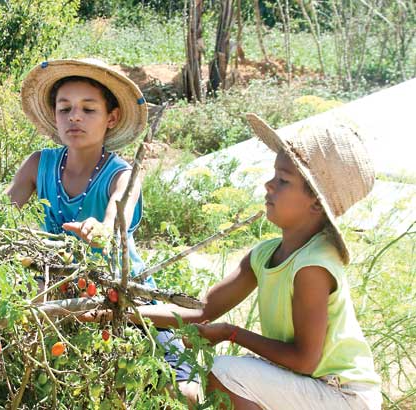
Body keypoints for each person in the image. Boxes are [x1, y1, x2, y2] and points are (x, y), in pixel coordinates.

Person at [0, 58, 199, 401]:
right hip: (61, 298)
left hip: (126, 298)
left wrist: (103, 228)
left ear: (110, 118)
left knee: (182, 391)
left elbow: (117, 215)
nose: (74, 117)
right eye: (64, 108)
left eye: (88, 109)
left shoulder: (122, 174)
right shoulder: (40, 164)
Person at [125, 114, 382, 409]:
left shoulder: (312, 266)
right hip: (311, 389)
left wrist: (230, 333)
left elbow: (305, 360)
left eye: (283, 181)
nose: (268, 185)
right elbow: (201, 310)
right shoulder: (264, 255)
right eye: (274, 175)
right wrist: (119, 311)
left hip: (343, 396)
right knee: (208, 383)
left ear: (315, 202)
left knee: (223, 373)